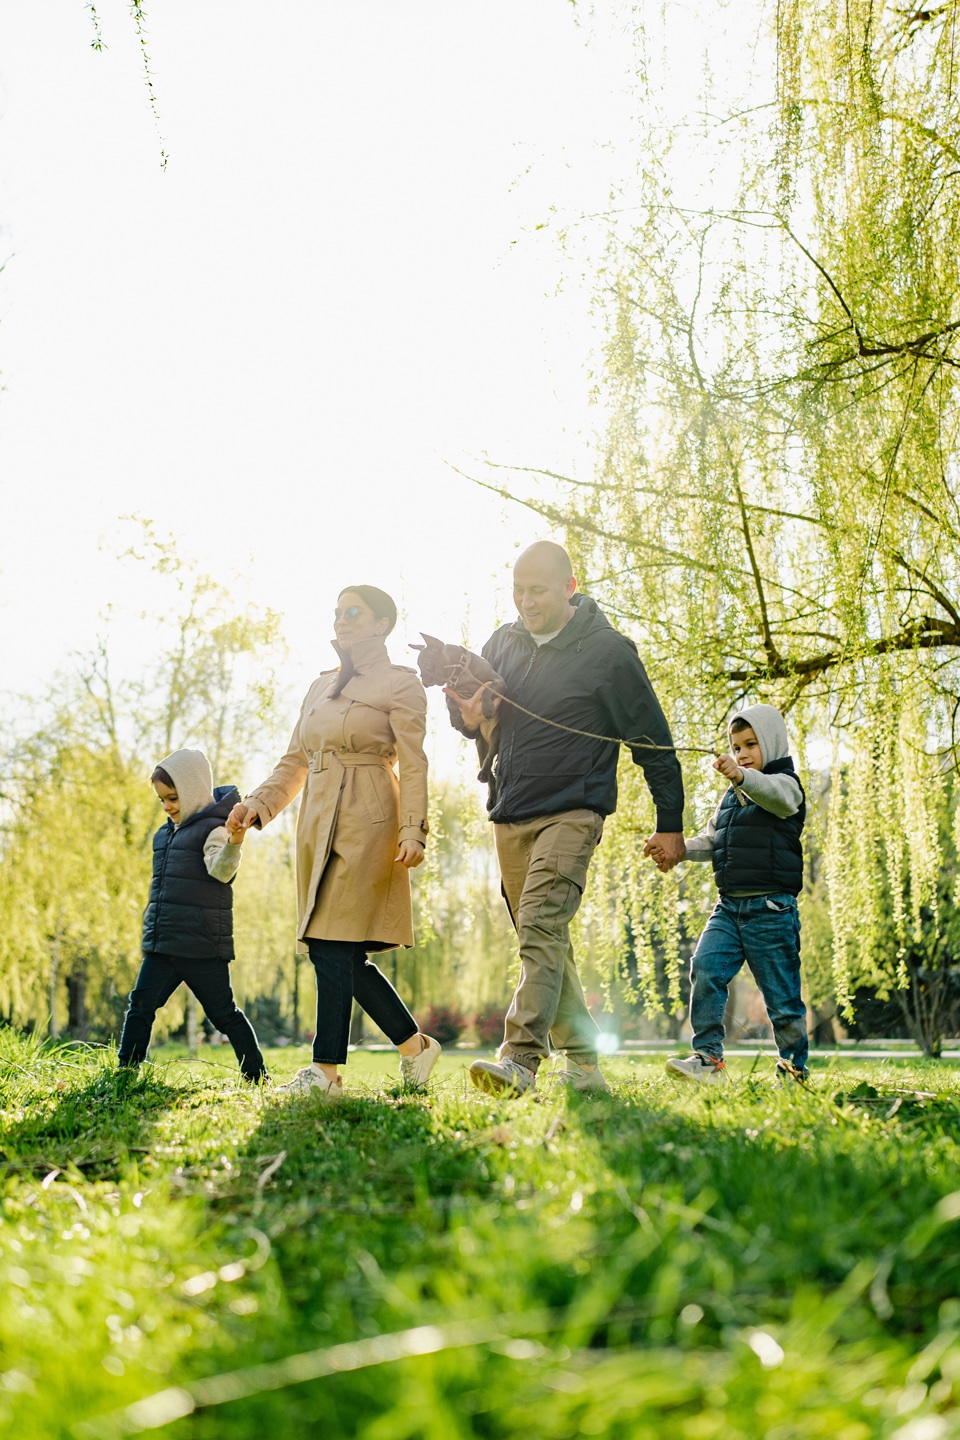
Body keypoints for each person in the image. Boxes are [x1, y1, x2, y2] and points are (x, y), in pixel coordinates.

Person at [445, 541, 685, 1096]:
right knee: (546, 940)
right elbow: (480, 720)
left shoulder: (607, 652)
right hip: (511, 812)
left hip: (574, 810)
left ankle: (520, 1061)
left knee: (539, 926)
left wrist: (669, 822)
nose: (526, 602)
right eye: (518, 590)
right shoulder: (503, 643)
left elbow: (653, 741)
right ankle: (584, 1065)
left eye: (538, 590)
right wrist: (466, 715)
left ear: (570, 587)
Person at [227, 585, 440, 1099]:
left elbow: (413, 763)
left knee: (332, 942)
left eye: (354, 612)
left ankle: (325, 1072)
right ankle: (415, 1047)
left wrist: (414, 828)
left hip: (370, 815)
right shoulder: (318, 686)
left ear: (382, 623)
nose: (342, 620)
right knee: (336, 947)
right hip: (316, 817)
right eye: (338, 612)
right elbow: (295, 760)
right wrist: (259, 803)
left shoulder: (400, 683)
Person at [653, 703, 808, 1085]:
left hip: (771, 909)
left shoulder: (785, 785)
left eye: (750, 745)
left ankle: (793, 1069)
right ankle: (708, 1059)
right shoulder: (730, 799)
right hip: (728, 908)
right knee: (704, 968)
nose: (741, 754)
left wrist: (741, 776)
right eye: (736, 747)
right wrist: (679, 849)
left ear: (771, 744)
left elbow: (776, 797)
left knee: (782, 1000)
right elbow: (713, 841)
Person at [117, 748, 267, 1083]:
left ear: (193, 791)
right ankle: (125, 1073)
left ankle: (256, 1076)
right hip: (164, 942)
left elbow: (221, 870)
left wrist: (235, 842)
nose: (168, 807)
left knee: (224, 1014)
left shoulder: (214, 829)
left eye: (173, 798)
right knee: (140, 1005)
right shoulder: (165, 834)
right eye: (162, 801)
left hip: (200, 946)